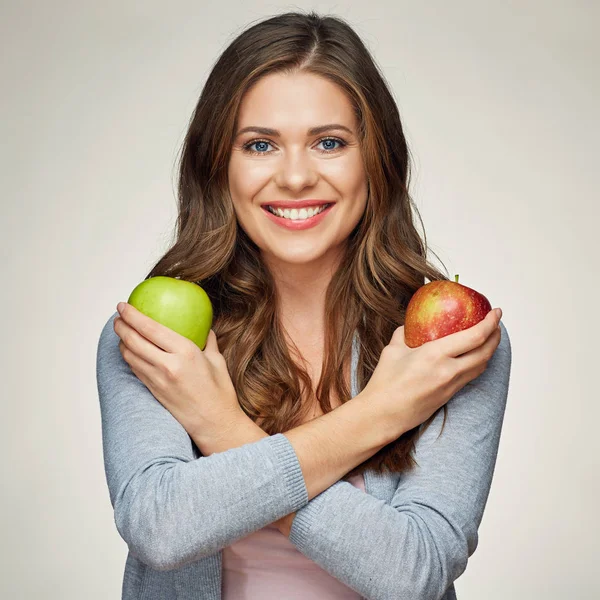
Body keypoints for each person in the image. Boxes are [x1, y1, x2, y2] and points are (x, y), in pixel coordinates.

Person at [96, 10, 512, 600]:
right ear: (220, 165)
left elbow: (412, 571)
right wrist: (379, 415)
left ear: (376, 158)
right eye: (260, 144)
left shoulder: (446, 344)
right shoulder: (159, 336)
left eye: (330, 142)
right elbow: (161, 529)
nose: (295, 176)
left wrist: (222, 430)